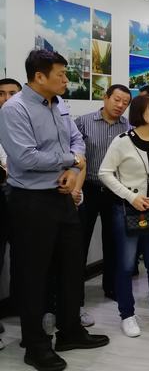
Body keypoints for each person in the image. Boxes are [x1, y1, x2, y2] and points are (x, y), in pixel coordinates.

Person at [0, 50, 109, 371]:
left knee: (71, 267)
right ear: (39, 76)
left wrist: (74, 170)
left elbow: (78, 141)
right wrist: (70, 161)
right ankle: (35, 345)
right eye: (60, 74)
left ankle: (70, 331)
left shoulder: (59, 104)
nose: (66, 79)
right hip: (30, 201)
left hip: (63, 199)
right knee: (33, 275)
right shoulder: (15, 109)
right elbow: (25, 158)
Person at [99, 94, 149, 337]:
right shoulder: (122, 141)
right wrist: (130, 196)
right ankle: (127, 314)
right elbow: (105, 173)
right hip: (127, 209)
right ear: (140, 112)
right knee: (125, 265)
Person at [74, 84, 132, 323]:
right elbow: (75, 155)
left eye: (125, 103)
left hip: (114, 190)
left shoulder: (128, 128)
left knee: (114, 241)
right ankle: (75, 297)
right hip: (87, 188)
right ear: (105, 98)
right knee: (79, 242)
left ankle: (111, 287)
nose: (120, 105)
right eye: (117, 99)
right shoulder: (83, 122)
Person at [0, 77, 20, 351]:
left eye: (12, 93)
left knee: (24, 254)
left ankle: (21, 304)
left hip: (23, 195)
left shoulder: (25, 121)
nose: (6, 99)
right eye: (1, 94)